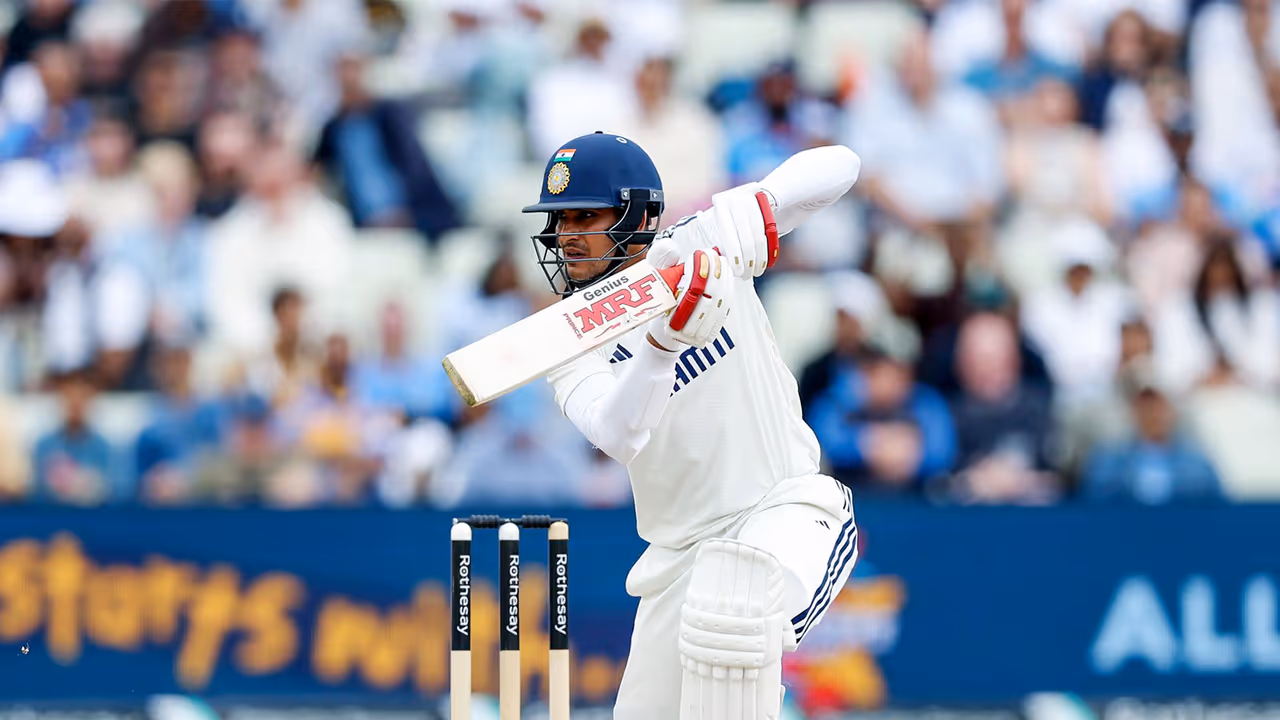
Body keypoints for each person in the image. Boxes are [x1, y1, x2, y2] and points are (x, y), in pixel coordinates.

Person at [522, 131, 862, 718]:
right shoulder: (568, 339)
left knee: (733, 613)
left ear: (638, 216)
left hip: (785, 509)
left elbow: (843, 165)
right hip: (679, 558)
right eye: (560, 220)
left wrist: (759, 201)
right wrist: (661, 346)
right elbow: (618, 434)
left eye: (585, 216)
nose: (566, 235)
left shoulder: (699, 246)